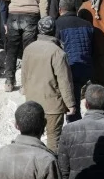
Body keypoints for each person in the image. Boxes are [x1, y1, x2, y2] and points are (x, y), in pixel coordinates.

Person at [18, 18, 75, 148]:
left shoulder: (29, 48)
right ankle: (51, 164)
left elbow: (24, 73)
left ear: (39, 30)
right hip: (52, 104)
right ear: (54, 30)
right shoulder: (58, 52)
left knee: (32, 138)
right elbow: (64, 80)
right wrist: (70, 103)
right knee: (53, 139)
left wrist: (25, 89)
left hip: (32, 102)